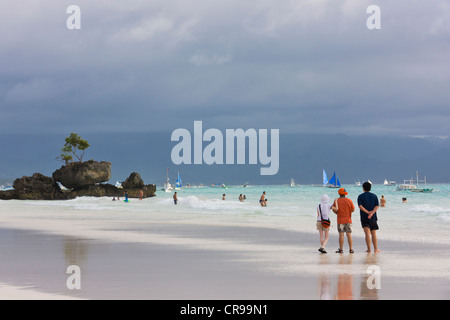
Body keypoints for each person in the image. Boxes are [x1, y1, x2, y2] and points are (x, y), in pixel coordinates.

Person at [357, 182, 381, 253]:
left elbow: (360, 206)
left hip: (364, 217)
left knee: (367, 233)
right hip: (373, 217)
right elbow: (377, 206)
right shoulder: (374, 196)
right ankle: (376, 249)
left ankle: (369, 249)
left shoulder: (360, 196)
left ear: (363, 188)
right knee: (373, 234)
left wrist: (367, 212)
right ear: (370, 188)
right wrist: (372, 213)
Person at [332, 188, 355, 254]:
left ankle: (341, 250)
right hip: (348, 220)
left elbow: (334, 209)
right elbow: (353, 209)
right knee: (349, 235)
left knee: (341, 235)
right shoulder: (349, 200)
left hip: (340, 220)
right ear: (345, 194)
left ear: (339, 193)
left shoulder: (336, 201)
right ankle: (351, 249)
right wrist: (348, 213)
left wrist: (337, 213)